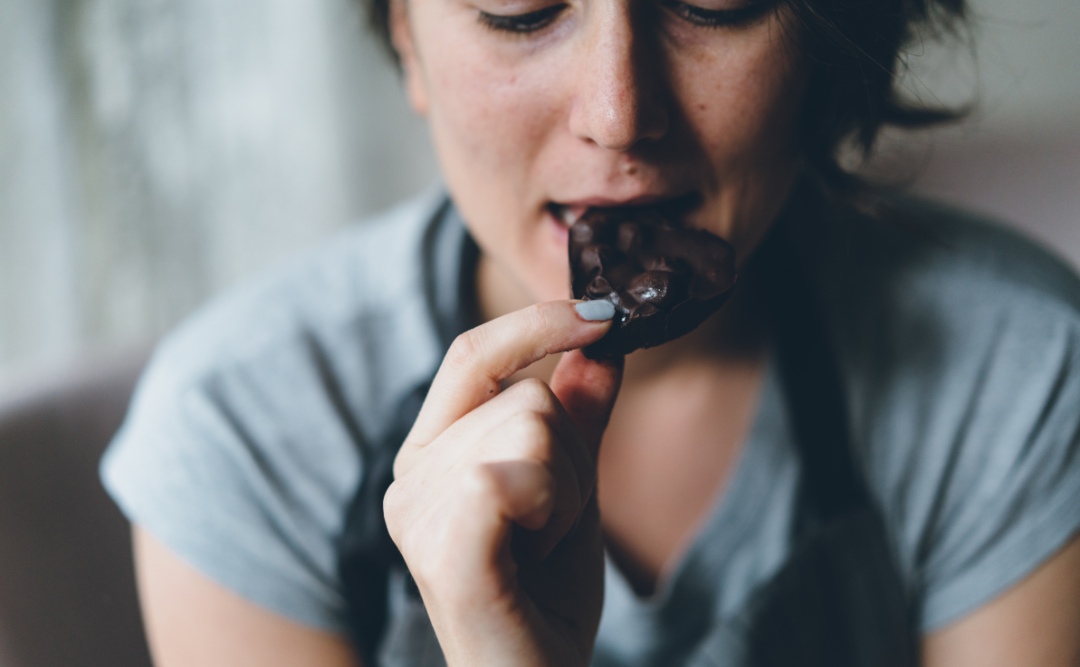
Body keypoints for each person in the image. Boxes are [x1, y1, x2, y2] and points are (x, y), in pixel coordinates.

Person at [100, 0, 1080, 664]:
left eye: (717, 0)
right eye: (521, 9)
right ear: (405, 34)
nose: (620, 113)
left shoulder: (1019, 376)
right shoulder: (241, 435)